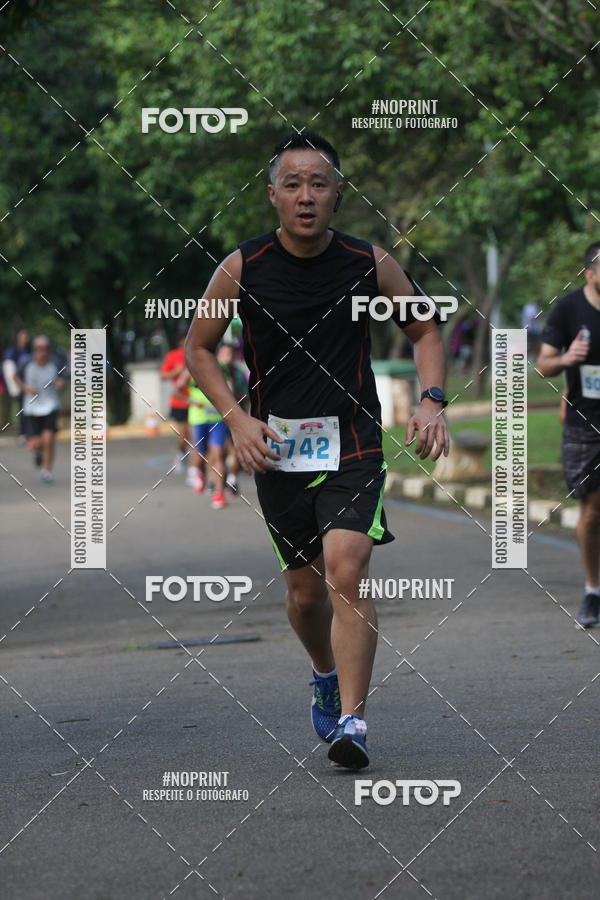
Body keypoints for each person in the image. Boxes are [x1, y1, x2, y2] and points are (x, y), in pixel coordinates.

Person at [184, 131, 449, 769]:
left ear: (338, 195)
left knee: (347, 568)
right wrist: (237, 419)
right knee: (306, 595)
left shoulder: (369, 262)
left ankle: (353, 722)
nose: (307, 196)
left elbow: (424, 328)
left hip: (353, 438)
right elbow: (198, 348)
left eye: (320, 184)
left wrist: (432, 398)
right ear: (273, 194)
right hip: (274, 446)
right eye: (294, 184)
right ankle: (325, 673)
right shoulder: (242, 267)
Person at [537, 240, 600, 628]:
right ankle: (593, 590)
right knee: (592, 513)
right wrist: (566, 359)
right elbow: (543, 365)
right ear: (590, 273)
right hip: (585, 426)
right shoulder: (569, 309)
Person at [15, 335, 64, 483]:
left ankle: (46, 471)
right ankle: (38, 452)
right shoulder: (26, 363)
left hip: (50, 406)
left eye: (46, 348)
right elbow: (14, 377)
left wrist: (61, 383)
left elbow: (63, 379)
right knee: (36, 443)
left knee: (49, 439)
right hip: (32, 408)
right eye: (39, 349)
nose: (43, 352)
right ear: (34, 350)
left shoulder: (55, 363)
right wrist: (26, 388)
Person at [216, 341, 249, 495]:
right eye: (224, 354)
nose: (227, 358)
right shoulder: (213, 373)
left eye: (230, 354)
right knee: (218, 451)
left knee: (235, 449)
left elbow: (246, 397)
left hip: (235, 418)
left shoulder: (238, 374)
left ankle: (232, 479)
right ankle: (216, 481)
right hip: (216, 419)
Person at [160, 332, 192, 482]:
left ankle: (195, 468)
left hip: (195, 402)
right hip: (179, 402)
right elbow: (163, 376)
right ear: (181, 342)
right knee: (184, 434)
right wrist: (176, 371)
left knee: (193, 435)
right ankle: (180, 456)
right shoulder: (173, 356)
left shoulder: (197, 352)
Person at [2, 328, 31, 441]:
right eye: (23, 335)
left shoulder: (28, 350)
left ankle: (30, 433)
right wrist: (15, 388)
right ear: (18, 337)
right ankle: (23, 434)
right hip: (20, 386)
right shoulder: (12, 351)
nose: (26, 337)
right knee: (22, 410)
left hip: (30, 386)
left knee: (30, 410)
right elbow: (9, 370)